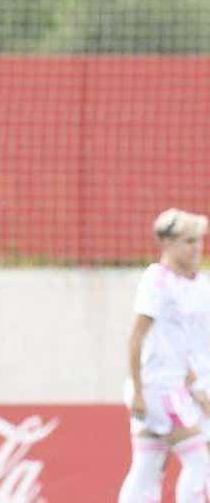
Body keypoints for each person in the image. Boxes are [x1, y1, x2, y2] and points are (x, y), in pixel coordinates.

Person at [118, 208, 210, 503]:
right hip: (159, 388)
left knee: (146, 468)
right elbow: (136, 338)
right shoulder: (158, 281)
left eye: (199, 240)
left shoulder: (193, 283)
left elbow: (180, 346)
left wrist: (195, 384)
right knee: (200, 462)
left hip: (172, 386)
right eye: (188, 241)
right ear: (167, 244)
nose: (197, 247)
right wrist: (139, 390)